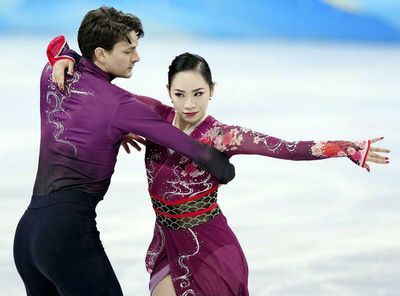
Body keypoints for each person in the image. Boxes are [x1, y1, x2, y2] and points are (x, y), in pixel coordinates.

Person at [53, 49, 390, 295]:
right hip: (168, 243)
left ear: (212, 90)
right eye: (180, 94)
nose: (189, 105)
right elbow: (99, 92)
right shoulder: (152, 116)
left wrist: (345, 146)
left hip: (211, 246)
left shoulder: (223, 135)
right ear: (168, 91)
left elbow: (287, 148)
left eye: (198, 94)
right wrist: (64, 56)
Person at [13, 7, 236, 296]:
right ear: (101, 54)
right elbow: (182, 142)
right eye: (128, 50)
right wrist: (221, 167)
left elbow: (61, 47)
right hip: (66, 236)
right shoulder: (121, 104)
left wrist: (67, 56)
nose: (137, 57)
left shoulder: (53, 75)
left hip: (28, 236)